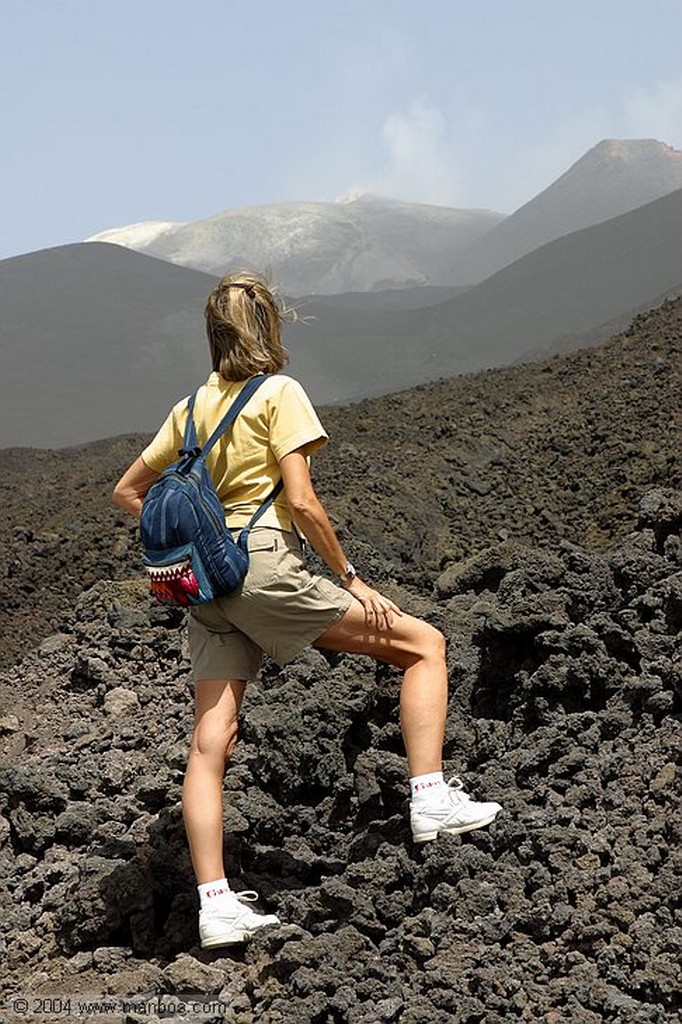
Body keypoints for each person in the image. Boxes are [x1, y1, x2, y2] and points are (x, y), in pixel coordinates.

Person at [113, 272, 501, 948]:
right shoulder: (279, 393)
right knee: (423, 645)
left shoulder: (190, 408)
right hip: (263, 566)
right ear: (268, 327)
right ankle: (432, 800)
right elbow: (302, 501)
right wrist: (351, 577)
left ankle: (216, 906)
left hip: (204, 588)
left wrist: (192, 539)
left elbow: (128, 490)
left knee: (211, 742)